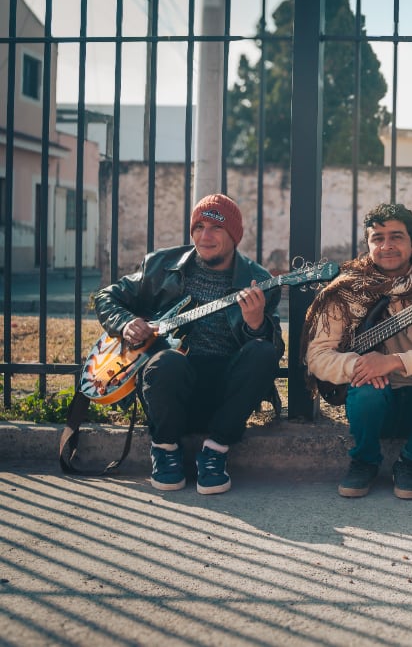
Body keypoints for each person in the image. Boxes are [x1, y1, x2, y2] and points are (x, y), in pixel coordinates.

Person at [93, 193, 283, 495]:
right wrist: (126, 323)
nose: (205, 236)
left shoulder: (258, 281)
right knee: (167, 360)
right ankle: (165, 449)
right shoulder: (160, 266)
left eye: (216, 228)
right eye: (199, 227)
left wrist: (255, 324)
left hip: (225, 398)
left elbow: (272, 351)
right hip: (170, 390)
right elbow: (106, 297)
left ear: (234, 235)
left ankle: (215, 452)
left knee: (263, 351)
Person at [303, 202, 412, 500]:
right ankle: (364, 461)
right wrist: (359, 366)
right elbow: (317, 356)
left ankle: (411, 462)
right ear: (368, 245)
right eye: (377, 238)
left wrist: (392, 362)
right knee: (367, 388)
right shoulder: (345, 291)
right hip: (373, 406)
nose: (386, 245)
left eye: (396, 237)